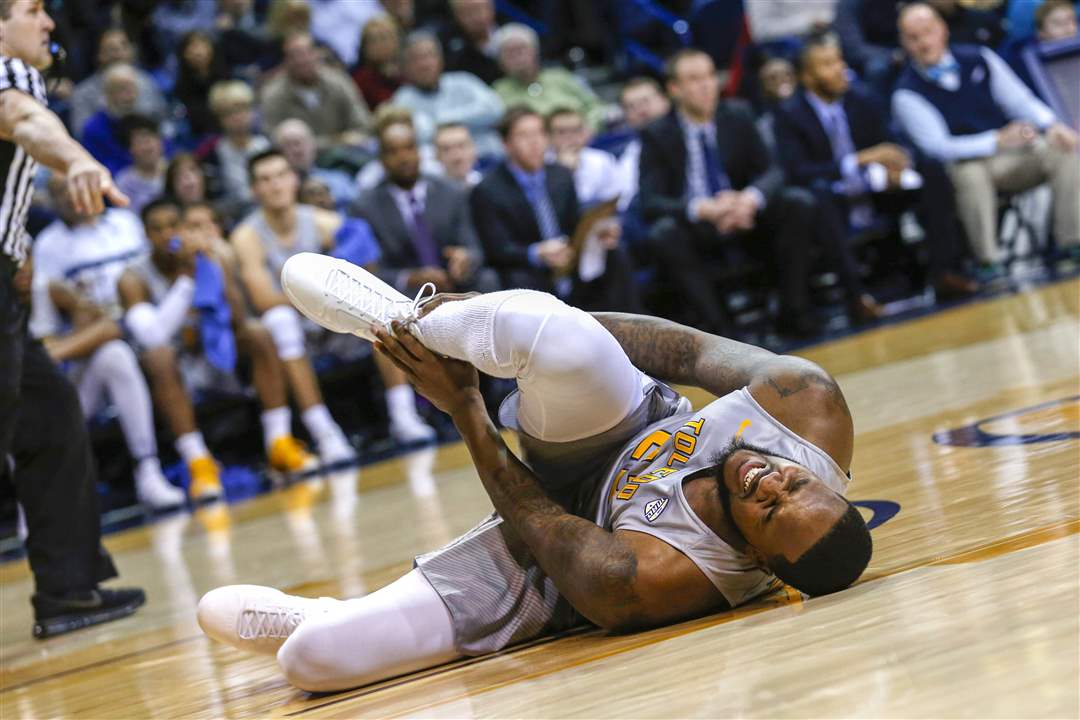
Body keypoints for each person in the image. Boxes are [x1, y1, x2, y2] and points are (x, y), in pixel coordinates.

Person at [198, 253, 872, 693]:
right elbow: (685, 350)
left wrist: (464, 406)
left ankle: (325, 616)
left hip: (556, 545)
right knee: (567, 342)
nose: (769, 482)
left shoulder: (661, 578)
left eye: (770, 509)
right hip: (626, 421)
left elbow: (538, 518)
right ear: (824, 477)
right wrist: (503, 326)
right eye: (796, 484)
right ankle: (414, 322)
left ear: (760, 560)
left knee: (314, 659)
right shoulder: (808, 408)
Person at [0, 0, 144, 638]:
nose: (49, 23)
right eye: (33, 10)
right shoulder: (10, 72)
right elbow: (24, 118)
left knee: (51, 416)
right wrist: (77, 159)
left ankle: (67, 588)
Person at [118, 198, 320, 485]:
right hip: (176, 370)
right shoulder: (132, 278)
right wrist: (188, 279)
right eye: (157, 229)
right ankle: (198, 462)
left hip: (218, 354)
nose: (167, 235)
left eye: (174, 226)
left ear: (186, 229)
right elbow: (153, 336)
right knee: (159, 357)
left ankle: (279, 442)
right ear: (146, 235)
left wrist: (216, 266)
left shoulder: (207, 258)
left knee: (258, 334)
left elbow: (238, 320)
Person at [773, 34, 978, 306]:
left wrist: (899, 162)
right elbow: (798, 171)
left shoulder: (862, 97)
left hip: (877, 191)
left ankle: (946, 272)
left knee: (931, 169)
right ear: (807, 77)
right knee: (818, 195)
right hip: (835, 198)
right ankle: (857, 298)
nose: (840, 69)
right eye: (828, 64)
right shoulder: (789, 115)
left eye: (839, 61)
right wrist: (857, 161)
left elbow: (894, 140)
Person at [638, 48, 822, 338]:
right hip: (699, 227)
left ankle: (793, 311)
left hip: (746, 216)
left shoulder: (738, 113)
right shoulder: (657, 133)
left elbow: (773, 171)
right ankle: (719, 333)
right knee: (663, 233)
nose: (706, 85)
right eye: (694, 79)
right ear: (674, 89)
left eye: (710, 76)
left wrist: (749, 198)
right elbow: (650, 201)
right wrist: (703, 208)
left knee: (797, 203)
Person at [29, 175, 184, 511]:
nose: (67, 197)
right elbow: (50, 313)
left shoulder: (126, 223)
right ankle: (147, 471)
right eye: (58, 192)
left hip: (149, 320)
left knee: (135, 336)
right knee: (115, 353)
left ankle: (173, 463)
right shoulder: (47, 245)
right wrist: (77, 310)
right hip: (92, 348)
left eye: (71, 187)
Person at [892, 3, 1079, 270]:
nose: (924, 42)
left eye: (928, 31)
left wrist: (1052, 125)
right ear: (904, 43)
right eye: (914, 37)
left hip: (1012, 156)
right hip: (966, 165)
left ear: (943, 29)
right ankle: (989, 262)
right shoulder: (906, 93)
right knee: (970, 174)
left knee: (1061, 147)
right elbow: (938, 147)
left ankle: (1072, 243)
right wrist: (996, 139)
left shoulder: (980, 57)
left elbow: (1020, 101)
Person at [229, 148, 367, 466]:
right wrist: (321, 297)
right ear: (254, 190)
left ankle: (404, 415)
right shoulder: (246, 237)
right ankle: (325, 433)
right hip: (292, 328)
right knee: (279, 320)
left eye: (281, 175)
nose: (275, 185)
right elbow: (263, 300)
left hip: (332, 319)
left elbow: (364, 273)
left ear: (294, 179)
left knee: (373, 308)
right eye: (265, 179)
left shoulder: (324, 221)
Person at [471, 107, 639, 312]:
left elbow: (575, 223)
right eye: (524, 135)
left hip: (567, 258)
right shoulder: (488, 189)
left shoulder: (560, 174)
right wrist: (537, 253)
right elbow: (497, 248)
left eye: (539, 133)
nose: (534, 142)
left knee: (615, 253)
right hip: (529, 267)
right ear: (506, 144)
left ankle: (627, 323)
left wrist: (598, 232)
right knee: (519, 278)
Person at [389, 30, 504, 157]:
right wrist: (470, 119)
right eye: (416, 58)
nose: (424, 64)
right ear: (405, 66)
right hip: (438, 164)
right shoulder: (402, 100)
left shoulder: (464, 81)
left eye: (429, 55)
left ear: (441, 59)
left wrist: (441, 120)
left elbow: (495, 109)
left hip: (488, 155)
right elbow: (420, 134)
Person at [260, 32, 373, 151]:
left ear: (318, 54)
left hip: (346, 153)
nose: (302, 60)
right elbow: (273, 139)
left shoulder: (338, 81)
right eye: (295, 55)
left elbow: (362, 124)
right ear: (286, 61)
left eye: (307, 52)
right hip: (297, 157)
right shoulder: (273, 94)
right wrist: (335, 141)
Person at [492, 24, 606, 132]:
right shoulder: (498, 92)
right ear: (500, 61)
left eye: (521, 48)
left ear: (535, 51)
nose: (517, 56)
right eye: (509, 52)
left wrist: (587, 130)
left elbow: (595, 106)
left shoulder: (560, 76)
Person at [68, 27, 166, 135]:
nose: (118, 54)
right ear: (99, 55)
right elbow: (81, 133)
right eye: (111, 49)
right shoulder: (82, 94)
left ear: (132, 51)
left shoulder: (147, 81)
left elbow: (163, 124)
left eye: (123, 47)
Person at [201, 80, 272, 205]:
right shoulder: (212, 155)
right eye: (229, 112)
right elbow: (214, 198)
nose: (237, 117)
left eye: (242, 109)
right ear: (219, 118)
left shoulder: (266, 146)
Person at [273, 118, 357, 211]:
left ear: (313, 144)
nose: (296, 150)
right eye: (288, 145)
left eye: (299, 142)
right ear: (279, 152)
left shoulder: (339, 180)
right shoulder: (275, 188)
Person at [547, 107, 622, 207]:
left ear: (585, 133)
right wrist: (563, 172)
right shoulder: (541, 165)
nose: (570, 137)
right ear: (548, 136)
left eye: (575, 130)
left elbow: (616, 200)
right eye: (562, 132)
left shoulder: (602, 160)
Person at [615, 77, 671, 210]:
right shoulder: (626, 158)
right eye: (631, 107)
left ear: (665, 100)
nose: (641, 110)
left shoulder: (694, 135)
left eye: (645, 101)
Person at [79, 62, 141, 174]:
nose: (129, 96)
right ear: (108, 94)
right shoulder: (93, 129)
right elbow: (96, 167)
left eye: (132, 88)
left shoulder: (144, 121)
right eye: (122, 89)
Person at [114, 114, 167, 215]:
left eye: (150, 140)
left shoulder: (174, 171)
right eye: (140, 142)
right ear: (130, 149)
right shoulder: (124, 182)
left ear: (161, 142)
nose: (148, 147)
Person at [350, 13, 403, 110]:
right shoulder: (359, 81)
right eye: (373, 40)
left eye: (384, 38)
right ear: (364, 47)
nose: (380, 45)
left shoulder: (406, 74)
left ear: (396, 41)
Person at [442, 0, 502, 85]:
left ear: (492, 9)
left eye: (480, 9)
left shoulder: (511, 31)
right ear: (456, 16)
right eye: (468, 12)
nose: (476, 17)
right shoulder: (449, 44)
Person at [433, 122, 481, 187]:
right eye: (446, 149)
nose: (457, 156)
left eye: (461, 146)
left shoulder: (486, 184)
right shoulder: (426, 191)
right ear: (437, 156)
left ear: (473, 148)